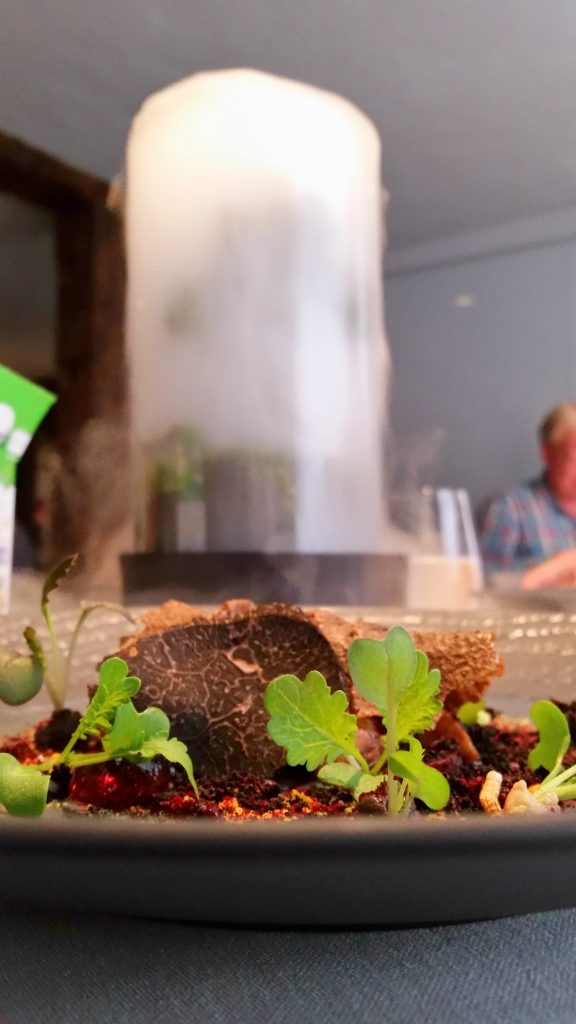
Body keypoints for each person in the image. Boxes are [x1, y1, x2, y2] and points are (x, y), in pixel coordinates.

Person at [479, 403, 576, 573]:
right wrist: (553, 570)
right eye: (573, 459)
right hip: (536, 600)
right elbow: (483, 581)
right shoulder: (509, 507)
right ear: (547, 454)